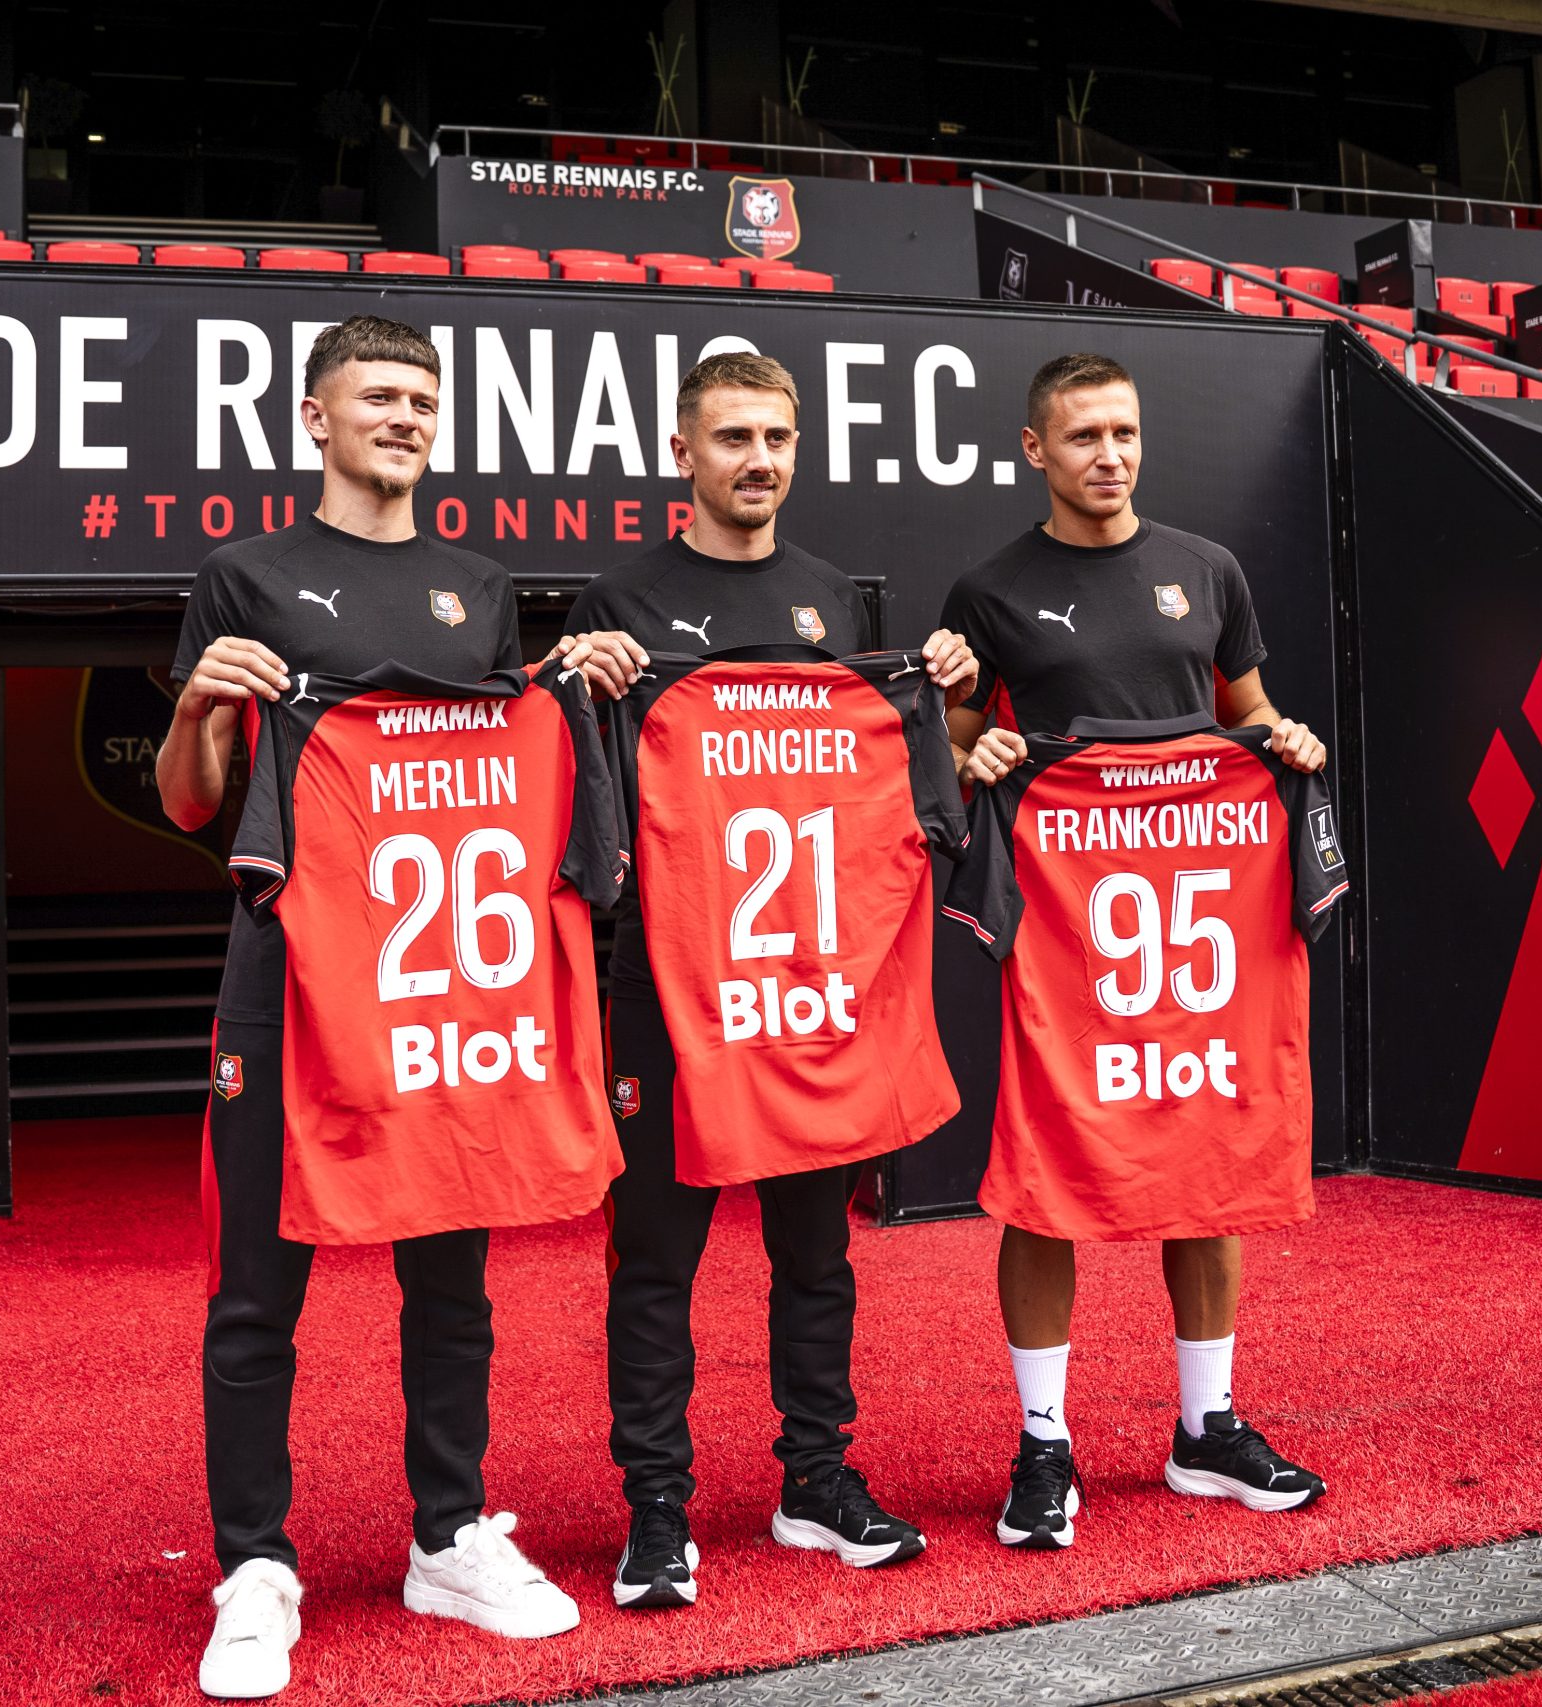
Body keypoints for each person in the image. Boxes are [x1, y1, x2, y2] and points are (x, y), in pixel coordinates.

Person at [156, 314, 643, 1699]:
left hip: (443, 983)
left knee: (452, 1275)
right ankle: (254, 1565)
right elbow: (194, 805)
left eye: (423, 398)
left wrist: (574, 692)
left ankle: (450, 1533)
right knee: (258, 1288)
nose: (404, 415)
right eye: (378, 394)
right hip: (288, 979)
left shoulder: (477, 586)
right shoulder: (243, 575)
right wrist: (199, 702)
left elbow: (501, 758)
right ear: (315, 419)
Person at [558, 351, 977, 1610]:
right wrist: (581, 685)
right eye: (733, 436)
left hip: (804, 981)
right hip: (669, 988)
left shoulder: (830, 604)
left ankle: (814, 1481)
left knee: (814, 1252)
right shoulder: (615, 598)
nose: (760, 459)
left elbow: (875, 790)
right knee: (656, 1258)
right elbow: (580, 803)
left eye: (778, 437)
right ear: (681, 453)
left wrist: (943, 707)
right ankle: (655, 1510)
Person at [938, 352, 1331, 1552]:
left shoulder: (1205, 570)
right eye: (1084, 436)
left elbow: (1243, 718)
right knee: (1049, 1176)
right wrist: (975, 757)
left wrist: (1282, 738)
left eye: (1124, 432)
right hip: (1068, 929)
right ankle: (1043, 1443)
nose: (1109, 454)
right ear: (1034, 451)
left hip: (1197, 919)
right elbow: (943, 748)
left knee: (1206, 1164)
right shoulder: (990, 590)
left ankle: (1203, 1431)